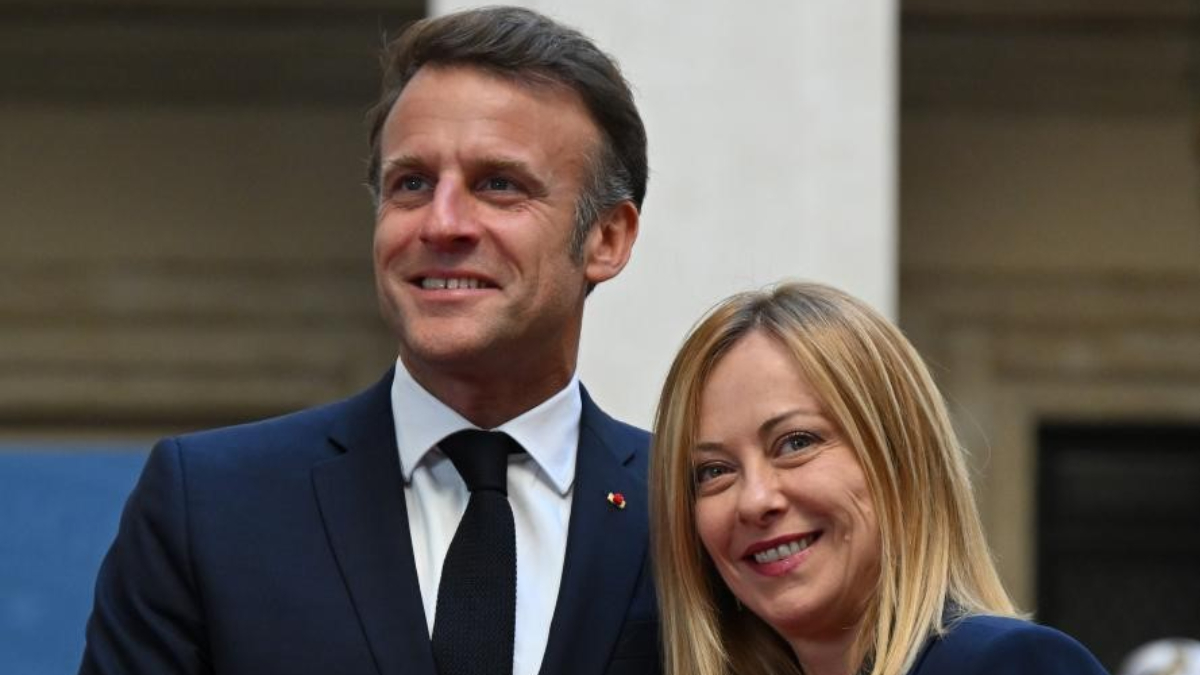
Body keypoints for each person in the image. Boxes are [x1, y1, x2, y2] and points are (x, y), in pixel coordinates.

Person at [80, 7, 658, 675]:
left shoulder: (690, 512)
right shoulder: (209, 507)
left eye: (499, 185)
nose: (442, 224)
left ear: (607, 238)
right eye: (412, 184)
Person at [649, 281, 1109, 675]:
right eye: (714, 471)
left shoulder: (1013, 665)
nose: (754, 499)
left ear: (899, 457)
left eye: (795, 443)